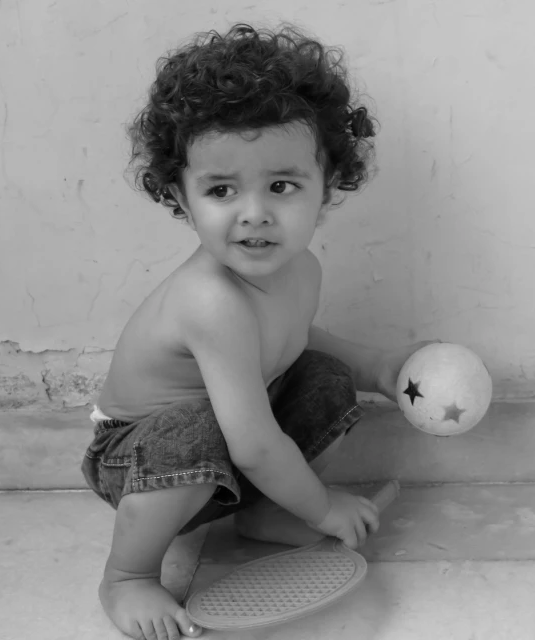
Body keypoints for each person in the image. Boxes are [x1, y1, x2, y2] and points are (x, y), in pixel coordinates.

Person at [81, 22, 433, 640]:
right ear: (182, 198)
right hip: (140, 457)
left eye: (281, 185)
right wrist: (324, 508)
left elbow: (297, 336)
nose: (255, 213)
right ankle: (127, 575)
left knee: (322, 379)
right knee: (204, 428)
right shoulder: (209, 300)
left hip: (224, 443)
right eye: (221, 189)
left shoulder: (301, 272)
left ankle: (264, 512)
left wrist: (377, 367)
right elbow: (253, 445)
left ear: (326, 190)